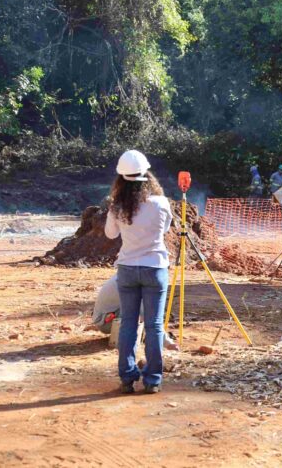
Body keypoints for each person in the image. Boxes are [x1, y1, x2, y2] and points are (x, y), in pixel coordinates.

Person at [105, 150, 172, 394]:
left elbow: (110, 234)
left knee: (128, 325)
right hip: (155, 268)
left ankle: (127, 377)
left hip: (127, 270)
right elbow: (164, 229)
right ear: (146, 175)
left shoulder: (117, 206)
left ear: (121, 178)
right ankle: (153, 380)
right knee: (154, 326)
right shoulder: (161, 203)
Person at [92, 275, 177, 350]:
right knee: (143, 311)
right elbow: (149, 317)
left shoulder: (129, 272)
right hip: (105, 323)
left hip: (103, 318)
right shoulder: (139, 283)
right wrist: (168, 343)